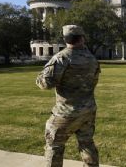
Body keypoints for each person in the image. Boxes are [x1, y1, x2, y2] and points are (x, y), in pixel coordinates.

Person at [36, 25, 100, 167]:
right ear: (82, 38)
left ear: (65, 39)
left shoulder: (61, 58)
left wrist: (40, 77)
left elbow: (45, 84)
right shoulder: (91, 58)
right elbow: (94, 81)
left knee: (54, 146)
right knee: (87, 143)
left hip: (66, 112)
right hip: (88, 110)